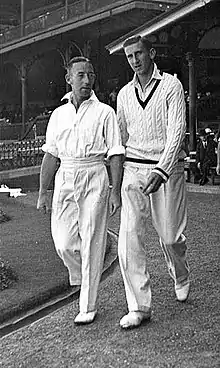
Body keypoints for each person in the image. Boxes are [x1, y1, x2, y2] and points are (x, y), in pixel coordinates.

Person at [37, 56, 124, 325]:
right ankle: (83, 276)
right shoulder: (59, 114)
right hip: (65, 176)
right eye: (81, 75)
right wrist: (42, 191)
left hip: (94, 174)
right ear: (69, 79)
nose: (86, 80)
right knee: (63, 242)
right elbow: (51, 155)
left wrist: (115, 190)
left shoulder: (104, 112)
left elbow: (116, 153)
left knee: (92, 239)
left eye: (90, 75)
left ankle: (88, 305)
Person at [116, 35, 190, 329]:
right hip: (133, 169)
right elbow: (120, 137)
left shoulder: (171, 85)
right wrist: (115, 176)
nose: (135, 61)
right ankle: (139, 306)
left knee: (170, 235)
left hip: (166, 169)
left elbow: (177, 131)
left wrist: (161, 170)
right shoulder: (123, 94)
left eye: (139, 54)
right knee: (129, 238)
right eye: (129, 57)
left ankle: (180, 272)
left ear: (151, 53)